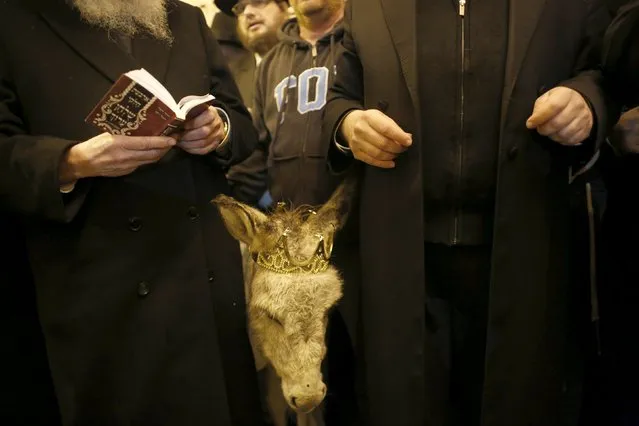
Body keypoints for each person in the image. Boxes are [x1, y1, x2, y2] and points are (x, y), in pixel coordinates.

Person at [322, 1, 615, 425]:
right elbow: (339, 98)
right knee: (404, 404)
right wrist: (349, 125)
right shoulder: (369, 5)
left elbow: (604, 74)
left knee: (520, 402)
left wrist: (586, 100)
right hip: (403, 258)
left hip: (523, 250)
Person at [0, 0, 264, 425]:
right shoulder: (14, 20)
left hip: (203, 279)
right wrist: (71, 161)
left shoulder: (184, 18)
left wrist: (220, 129)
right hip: (103, 286)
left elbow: (243, 128)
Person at [226, 0, 359, 424]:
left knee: (356, 365)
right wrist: (228, 195)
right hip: (291, 256)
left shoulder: (361, 42)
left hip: (354, 235)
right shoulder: (272, 63)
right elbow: (262, 148)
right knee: (301, 374)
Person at [213, 0, 290, 109]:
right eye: (240, 8)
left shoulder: (310, 59)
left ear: (284, 6)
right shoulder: (228, 79)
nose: (247, 13)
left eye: (258, 2)